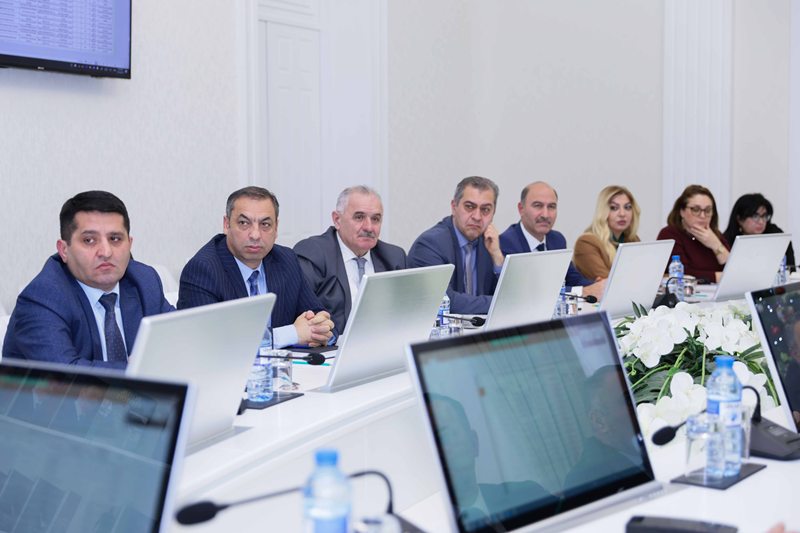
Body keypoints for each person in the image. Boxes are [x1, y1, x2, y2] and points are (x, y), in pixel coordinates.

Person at [2, 191, 173, 369]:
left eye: (115, 239)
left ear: (129, 244)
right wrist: (141, 368)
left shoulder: (144, 281)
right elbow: (68, 374)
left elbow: (179, 341)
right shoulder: (42, 299)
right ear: (64, 250)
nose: (106, 252)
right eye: (89, 240)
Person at [178, 186, 334, 348]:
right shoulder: (202, 270)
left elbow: (315, 313)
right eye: (244, 223)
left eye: (265, 224)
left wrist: (321, 327)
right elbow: (208, 342)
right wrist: (291, 334)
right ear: (226, 224)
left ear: (276, 228)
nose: (255, 235)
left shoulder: (286, 260)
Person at [294, 186, 407, 333]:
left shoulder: (394, 258)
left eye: (375, 219)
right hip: (332, 345)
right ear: (337, 220)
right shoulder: (313, 254)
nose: (369, 227)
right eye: (359, 217)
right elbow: (306, 319)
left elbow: (406, 313)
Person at [407, 176, 504, 314]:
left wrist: (497, 257)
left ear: (493, 213)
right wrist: (501, 303)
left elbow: (515, 298)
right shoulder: (430, 244)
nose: (477, 217)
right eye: (469, 207)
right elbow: (444, 301)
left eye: (485, 209)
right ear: (454, 207)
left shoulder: (490, 242)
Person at [499, 181, 605, 300]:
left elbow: (573, 278)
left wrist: (597, 285)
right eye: (538, 206)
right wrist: (582, 291)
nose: (545, 214)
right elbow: (531, 293)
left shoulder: (557, 239)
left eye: (551, 207)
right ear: (521, 209)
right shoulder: (507, 242)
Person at [657, 184, 729, 283]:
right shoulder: (669, 234)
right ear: (682, 211)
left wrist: (716, 245)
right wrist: (717, 277)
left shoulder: (715, 235)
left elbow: (734, 270)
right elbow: (682, 274)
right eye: (696, 209)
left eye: (708, 210)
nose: (702, 215)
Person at [573, 185, 642, 280]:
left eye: (627, 207)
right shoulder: (587, 243)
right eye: (614, 208)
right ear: (602, 212)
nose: (622, 214)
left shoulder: (633, 240)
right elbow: (609, 283)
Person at [723, 193, 795, 272]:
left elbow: (790, 269)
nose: (761, 222)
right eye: (755, 216)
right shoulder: (727, 241)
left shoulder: (775, 234)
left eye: (764, 216)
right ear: (739, 219)